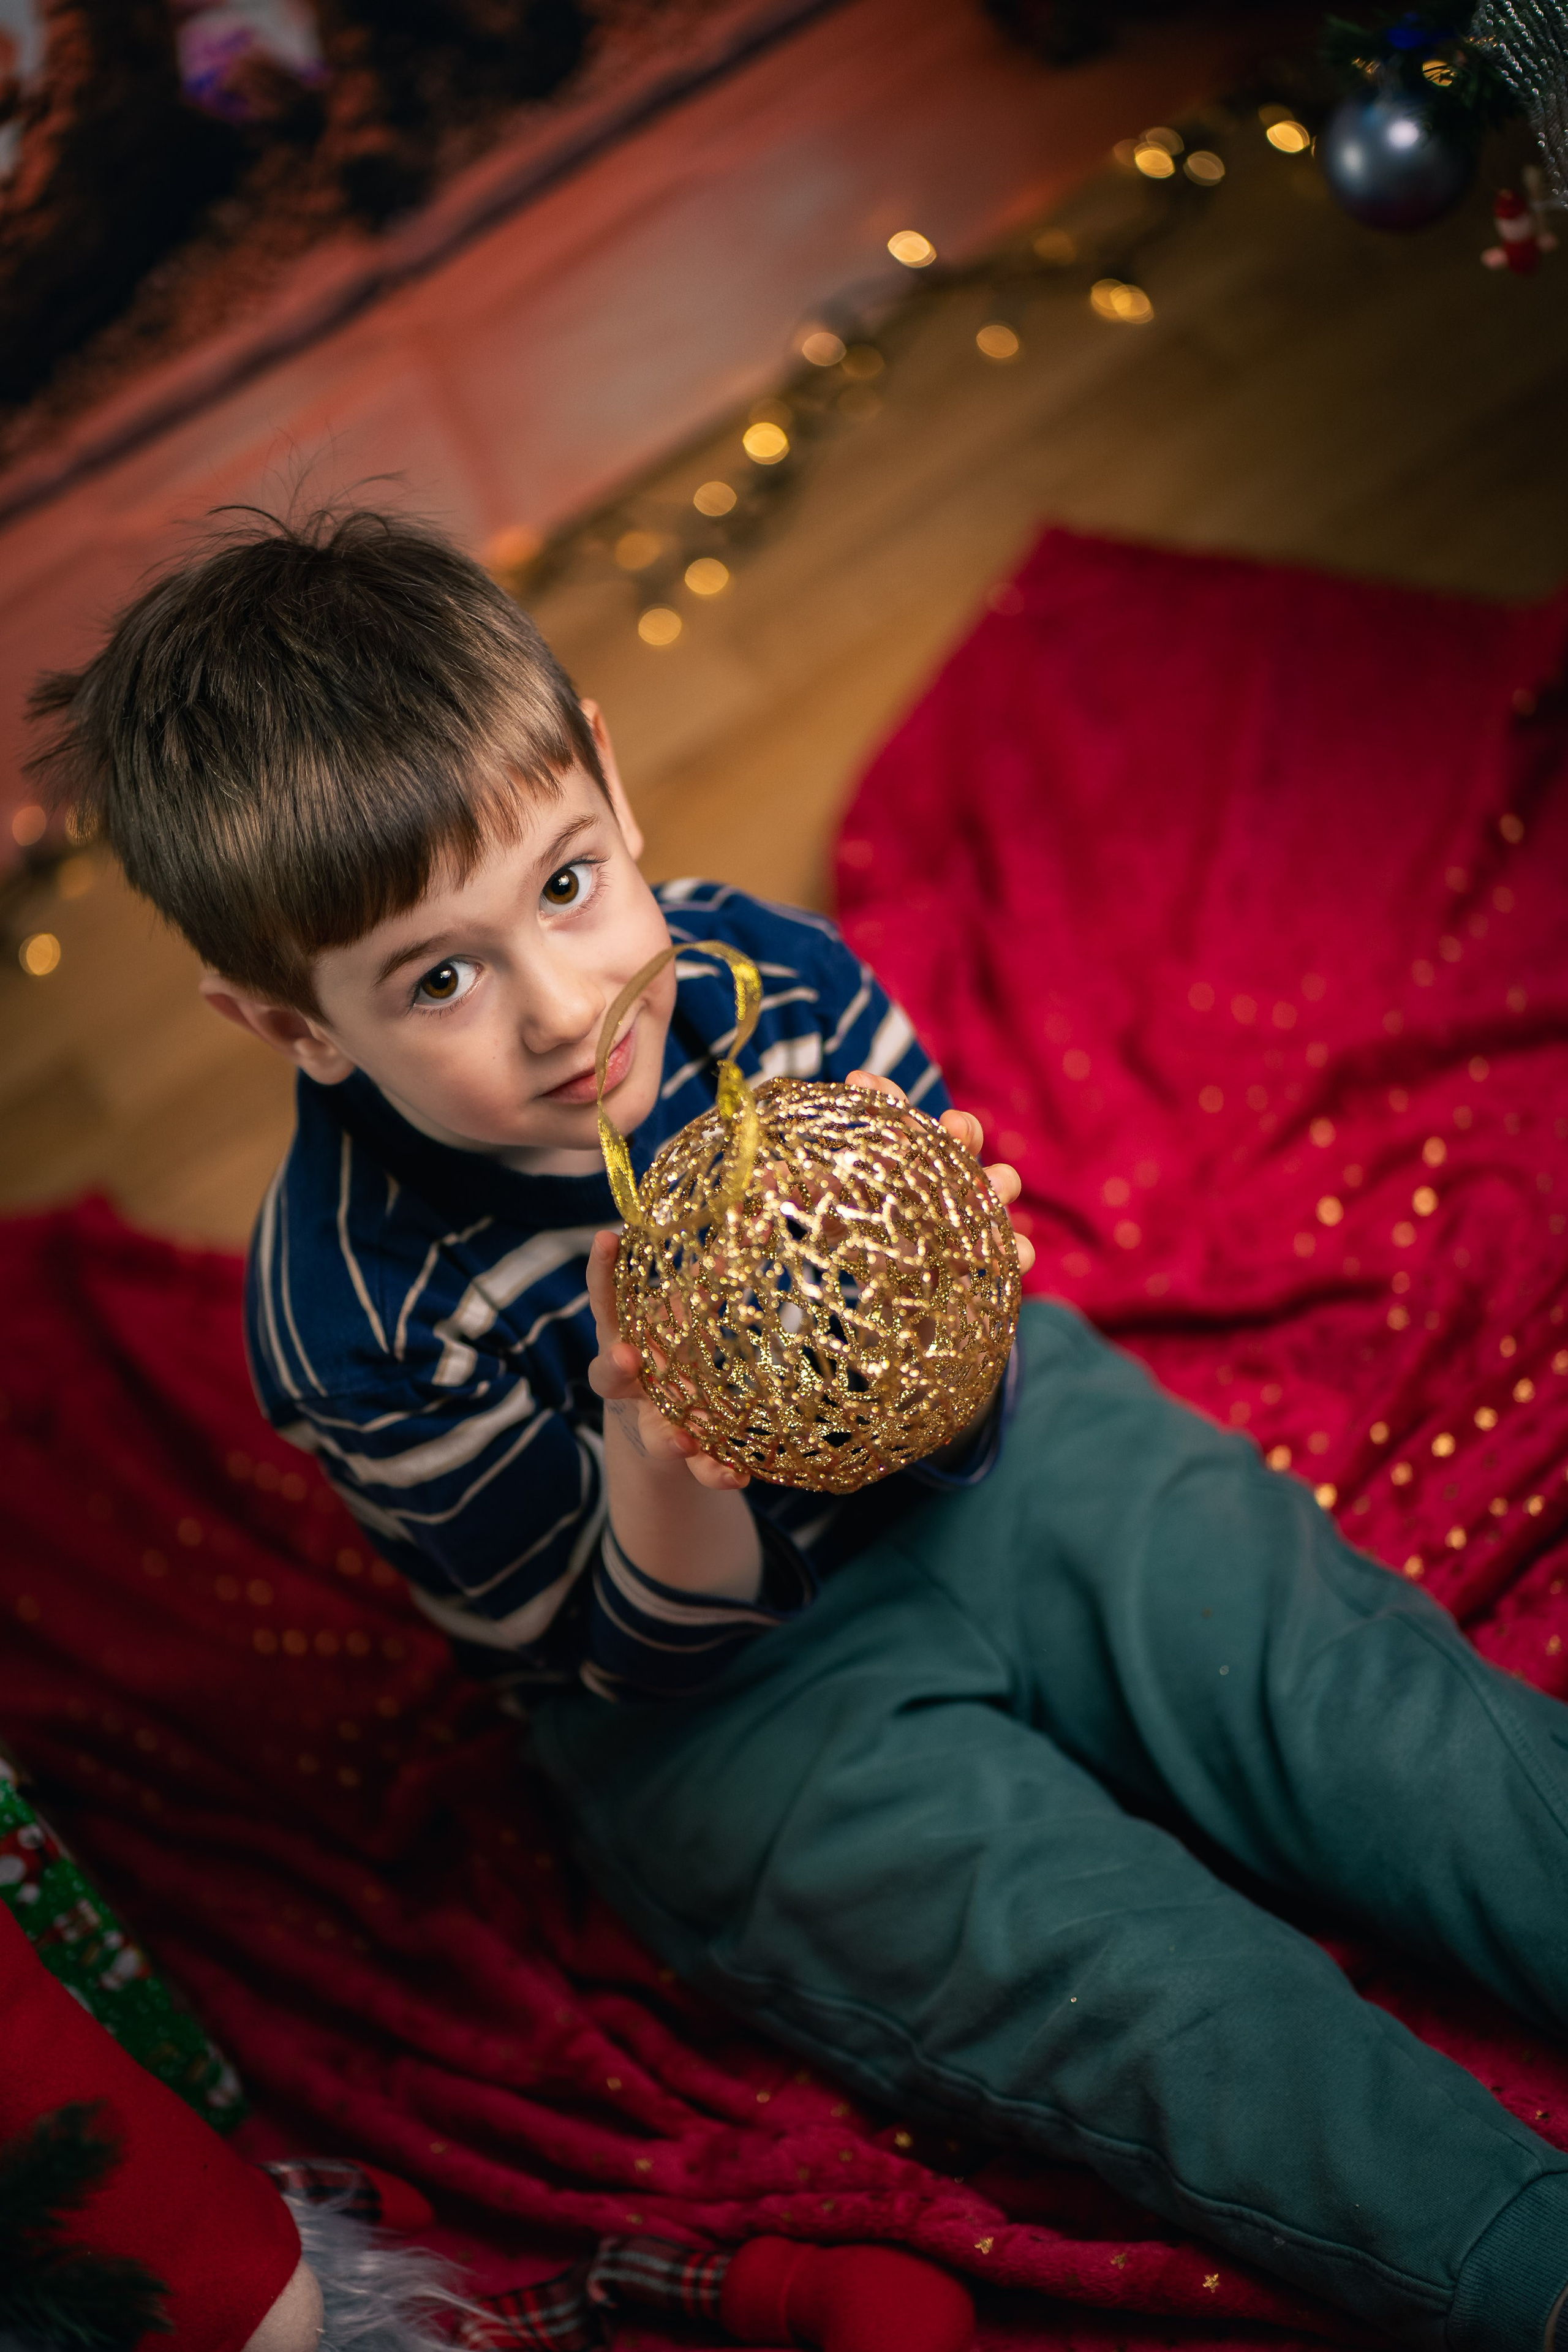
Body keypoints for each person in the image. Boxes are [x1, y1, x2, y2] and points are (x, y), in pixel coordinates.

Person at [28, 506, 1568, 2352]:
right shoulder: (353, 1323)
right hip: (723, 1701)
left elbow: (973, 1363)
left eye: (567, 885)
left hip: (990, 1464)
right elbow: (640, 1650)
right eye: (438, 979)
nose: (562, 1009)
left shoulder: (776, 989)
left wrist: (953, 1300)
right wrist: (669, 1455)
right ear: (295, 1028)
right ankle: (1519, 2266)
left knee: (1346, 1696)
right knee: (1128, 1983)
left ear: (608, 775)